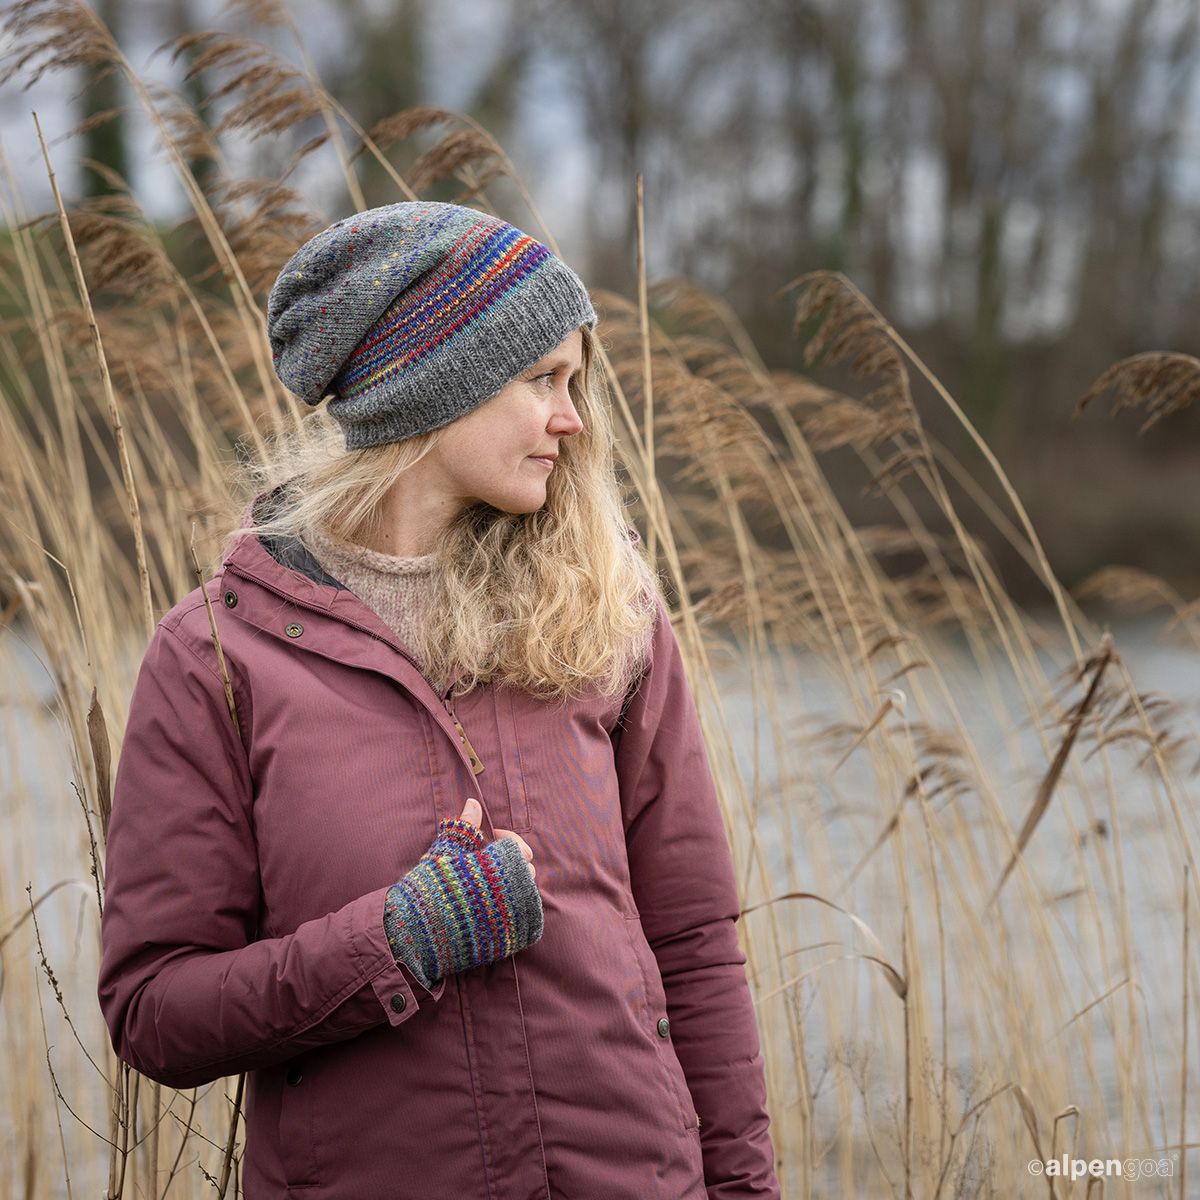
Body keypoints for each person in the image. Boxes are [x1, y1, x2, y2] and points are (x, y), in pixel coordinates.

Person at [97, 200, 780, 1199]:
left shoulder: (606, 608)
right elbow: (155, 1009)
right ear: (433, 388)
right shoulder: (217, 656)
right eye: (541, 379)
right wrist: (397, 940)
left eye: (575, 383)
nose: (571, 418)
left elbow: (697, 949)